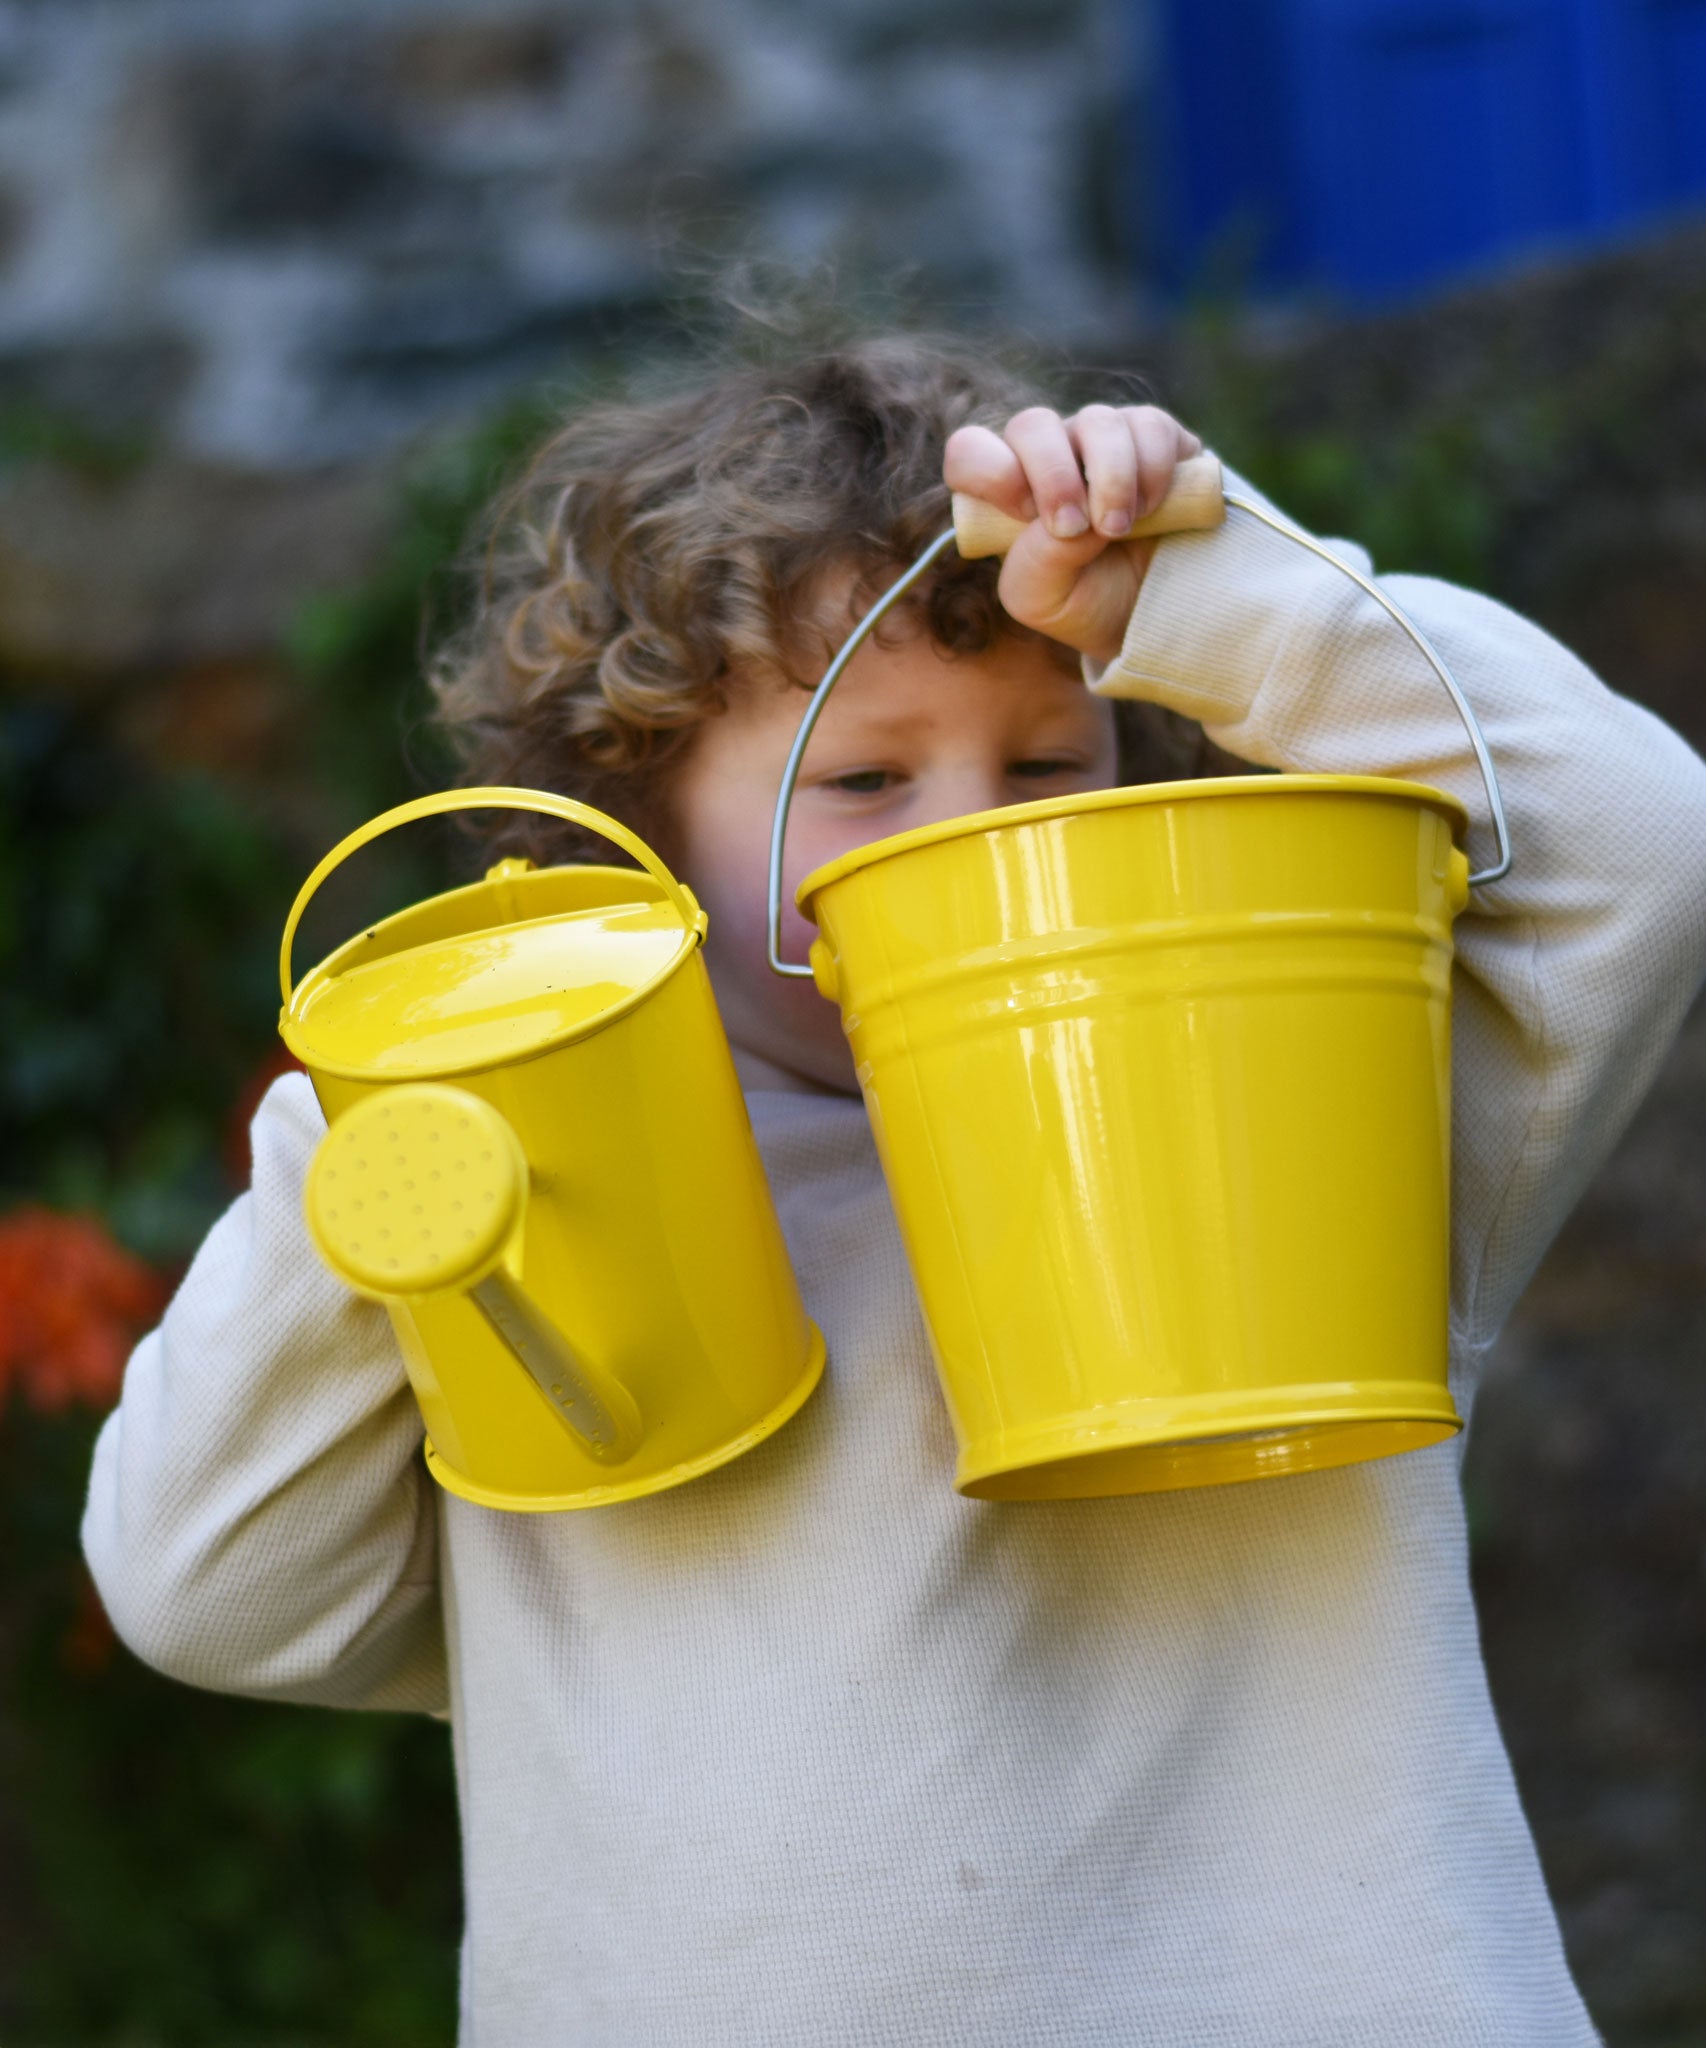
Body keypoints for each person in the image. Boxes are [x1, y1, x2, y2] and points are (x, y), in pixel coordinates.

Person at [83, 336, 1706, 2046]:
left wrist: (1201, 592)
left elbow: (1636, 840)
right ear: (623, 828)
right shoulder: (543, 1202)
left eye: (1046, 764)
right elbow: (211, 1583)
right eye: (863, 780)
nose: (969, 837)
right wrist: (399, 1106)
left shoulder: (1292, 1103)